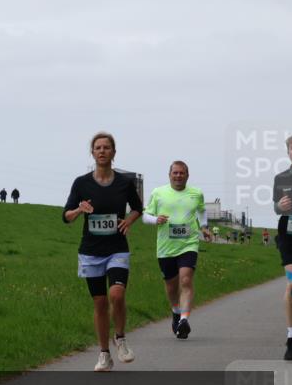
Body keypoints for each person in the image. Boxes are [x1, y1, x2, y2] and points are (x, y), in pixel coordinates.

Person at [63, 132, 143, 371]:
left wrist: (129, 220)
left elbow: (138, 207)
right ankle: (104, 354)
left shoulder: (124, 183)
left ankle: (120, 338)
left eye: (106, 147)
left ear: (113, 153)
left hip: (117, 248)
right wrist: (79, 210)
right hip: (91, 251)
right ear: (92, 152)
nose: (102, 151)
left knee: (116, 295)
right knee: (99, 304)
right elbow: (66, 216)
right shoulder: (81, 183)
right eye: (97, 147)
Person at [142, 161, 210, 339]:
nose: (178, 176)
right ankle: (175, 311)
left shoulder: (196, 193)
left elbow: (202, 211)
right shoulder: (158, 193)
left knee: (186, 280)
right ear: (169, 175)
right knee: (171, 287)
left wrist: (203, 227)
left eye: (182, 173)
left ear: (187, 175)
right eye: (175, 173)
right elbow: (145, 215)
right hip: (166, 247)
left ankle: (184, 320)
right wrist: (155, 219)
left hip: (189, 243)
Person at [273, 134, 292, 361]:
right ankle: (291, 338)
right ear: (288, 152)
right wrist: (279, 205)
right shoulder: (281, 178)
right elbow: (276, 208)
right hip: (289, 237)